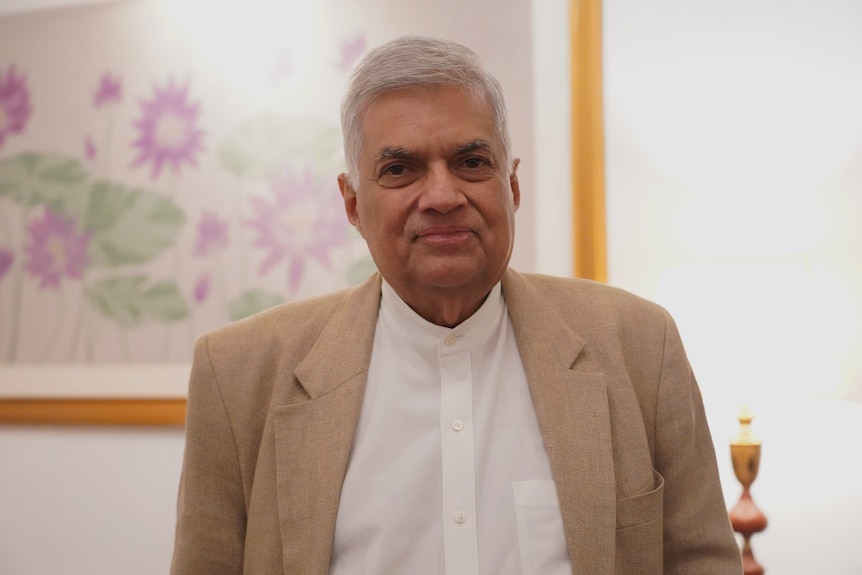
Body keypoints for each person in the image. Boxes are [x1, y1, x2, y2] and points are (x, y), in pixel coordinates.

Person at [170, 35, 742, 575]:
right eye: (400, 170)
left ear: (511, 189)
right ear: (351, 204)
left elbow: (701, 561)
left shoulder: (640, 345)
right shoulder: (240, 374)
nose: (442, 196)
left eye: (471, 162)